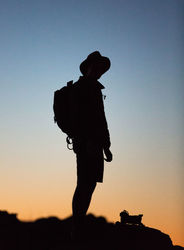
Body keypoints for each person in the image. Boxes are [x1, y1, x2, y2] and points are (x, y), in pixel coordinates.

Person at [71, 51, 113, 237]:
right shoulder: (86, 88)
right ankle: (77, 227)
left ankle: (78, 225)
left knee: (88, 184)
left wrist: (106, 145)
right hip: (88, 142)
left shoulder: (90, 88)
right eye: (96, 67)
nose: (99, 71)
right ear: (88, 67)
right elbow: (93, 119)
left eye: (101, 68)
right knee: (85, 184)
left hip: (91, 142)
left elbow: (100, 119)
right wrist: (99, 144)